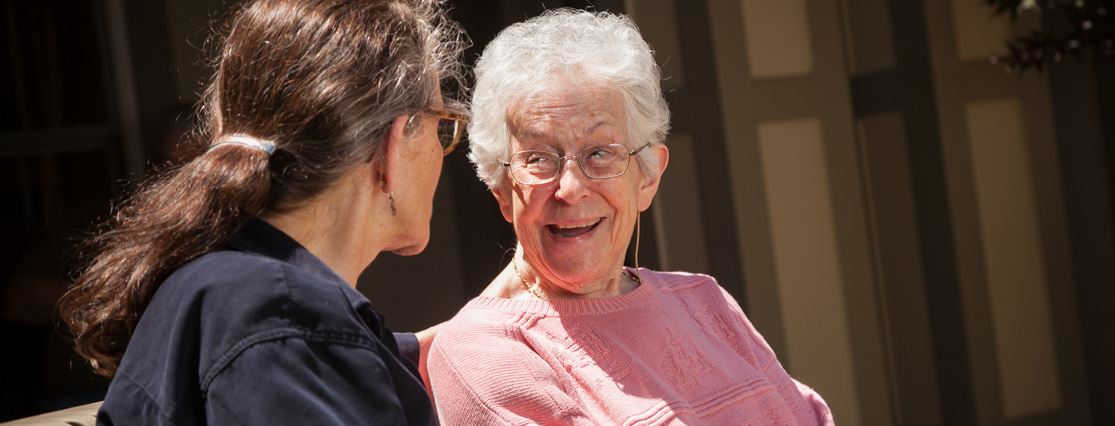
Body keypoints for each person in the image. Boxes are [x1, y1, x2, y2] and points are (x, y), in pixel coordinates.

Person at [58, 0, 467, 424]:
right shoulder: (285, 321)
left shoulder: (238, 290)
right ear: (393, 144)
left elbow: (358, 356)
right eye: (443, 124)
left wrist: (494, 308)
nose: (443, 150)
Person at [427, 9, 835, 425]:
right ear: (500, 188)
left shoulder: (704, 301)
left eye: (599, 153)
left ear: (648, 176)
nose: (570, 189)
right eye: (539, 158)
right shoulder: (484, 349)